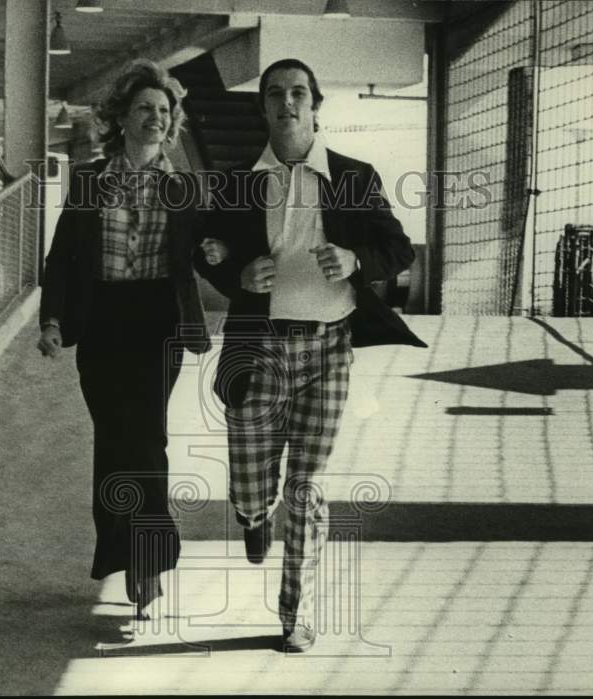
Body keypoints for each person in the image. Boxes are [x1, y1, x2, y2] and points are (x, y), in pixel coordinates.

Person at [194, 58, 427, 652]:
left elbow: (397, 247)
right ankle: (251, 516)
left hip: (329, 348)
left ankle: (293, 614)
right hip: (260, 349)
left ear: (315, 104)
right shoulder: (239, 180)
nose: (288, 102)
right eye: (276, 94)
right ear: (265, 108)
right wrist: (236, 269)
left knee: (306, 486)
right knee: (252, 487)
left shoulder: (352, 176)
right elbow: (206, 250)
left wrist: (355, 262)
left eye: (299, 92)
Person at [37, 59, 210, 620]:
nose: (155, 118)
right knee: (114, 441)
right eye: (145, 109)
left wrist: (222, 256)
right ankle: (127, 551)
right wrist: (52, 321)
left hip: (158, 321)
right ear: (123, 116)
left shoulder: (182, 187)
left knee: (148, 438)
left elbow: (208, 250)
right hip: (103, 321)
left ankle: (147, 558)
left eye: (164, 111)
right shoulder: (89, 180)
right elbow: (62, 258)